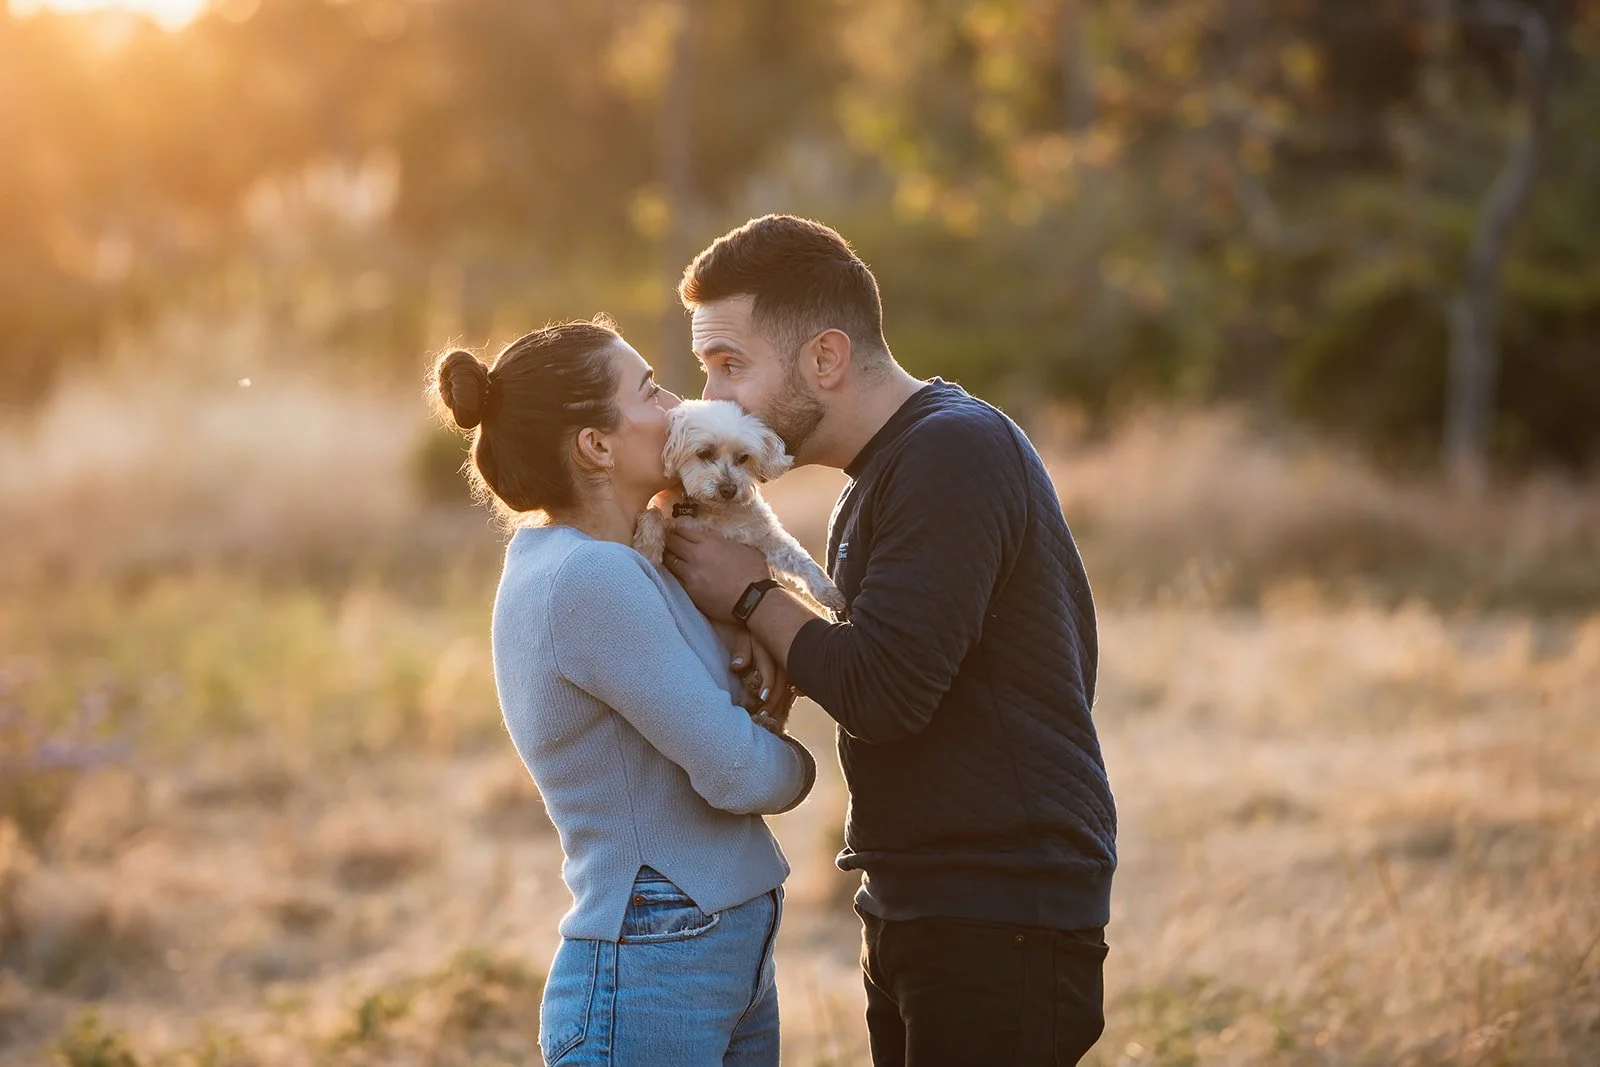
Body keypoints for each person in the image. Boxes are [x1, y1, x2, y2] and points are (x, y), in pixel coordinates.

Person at [662, 216, 1116, 1066]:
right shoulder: (882, 474)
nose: (713, 394)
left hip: (999, 905)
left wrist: (752, 594)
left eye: (731, 364)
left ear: (825, 357)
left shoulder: (954, 451)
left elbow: (887, 691)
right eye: (705, 369)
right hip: (929, 895)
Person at [432, 317, 817, 1067]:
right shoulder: (587, 576)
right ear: (596, 446)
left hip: (704, 949)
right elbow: (736, 770)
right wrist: (797, 760)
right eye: (649, 389)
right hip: (654, 961)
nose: (676, 404)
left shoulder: (634, 559)